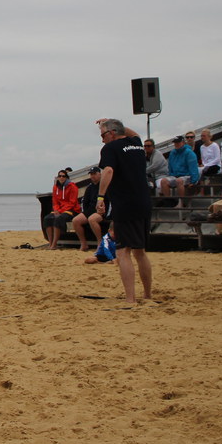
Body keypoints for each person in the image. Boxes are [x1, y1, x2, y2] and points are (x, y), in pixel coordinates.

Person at [95, 118, 153, 305]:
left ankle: (130, 298)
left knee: (123, 252)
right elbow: (133, 133)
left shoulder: (110, 148)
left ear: (112, 133)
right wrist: (112, 122)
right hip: (144, 202)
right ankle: (147, 295)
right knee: (140, 252)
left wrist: (100, 197)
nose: (102, 139)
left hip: (125, 204)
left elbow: (108, 171)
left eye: (103, 134)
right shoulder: (136, 143)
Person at [71, 167, 110, 252]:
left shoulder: (105, 186)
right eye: (91, 174)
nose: (92, 176)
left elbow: (109, 201)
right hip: (90, 210)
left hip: (102, 211)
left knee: (92, 219)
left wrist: (103, 211)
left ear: (100, 174)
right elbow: (85, 201)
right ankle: (83, 244)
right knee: (75, 220)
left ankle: (100, 242)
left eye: (94, 174)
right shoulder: (90, 187)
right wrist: (85, 211)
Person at [44, 170, 80, 249]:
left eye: (63, 176)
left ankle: (54, 244)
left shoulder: (72, 187)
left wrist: (60, 211)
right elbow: (55, 201)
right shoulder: (55, 187)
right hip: (60, 209)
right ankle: (50, 243)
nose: (61, 178)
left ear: (66, 177)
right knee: (47, 218)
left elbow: (72, 202)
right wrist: (56, 210)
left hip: (72, 209)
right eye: (60, 176)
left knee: (59, 219)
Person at [158, 135, 199, 200]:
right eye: (175, 143)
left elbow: (193, 167)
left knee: (179, 181)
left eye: (178, 142)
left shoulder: (189, 153)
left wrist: (193, 181)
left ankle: (181, 202)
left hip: (187, 176)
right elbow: (170, 166)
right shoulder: (172, 153)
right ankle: (168, 202)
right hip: (175, 176)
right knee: (163, 181)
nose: (176, 144)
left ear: (183, 142)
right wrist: (171, 174)